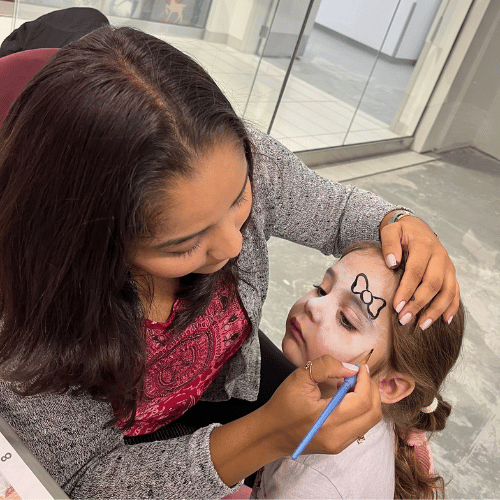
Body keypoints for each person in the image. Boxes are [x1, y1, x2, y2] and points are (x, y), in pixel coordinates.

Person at [0, 26, 459, 499]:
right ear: (90, 243)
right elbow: (85, 480)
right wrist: (266, 435)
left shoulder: (227, 158)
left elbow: (339, 212)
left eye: (240, 199)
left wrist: (401, 222)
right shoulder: (30, 333)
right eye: (184, 245)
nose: (234, 248)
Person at [253, 241, 464, 499]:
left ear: (388, 385)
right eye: (322, 289)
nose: (313, 305)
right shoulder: (375, 413)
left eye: (346, 320)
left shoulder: (305, 486)